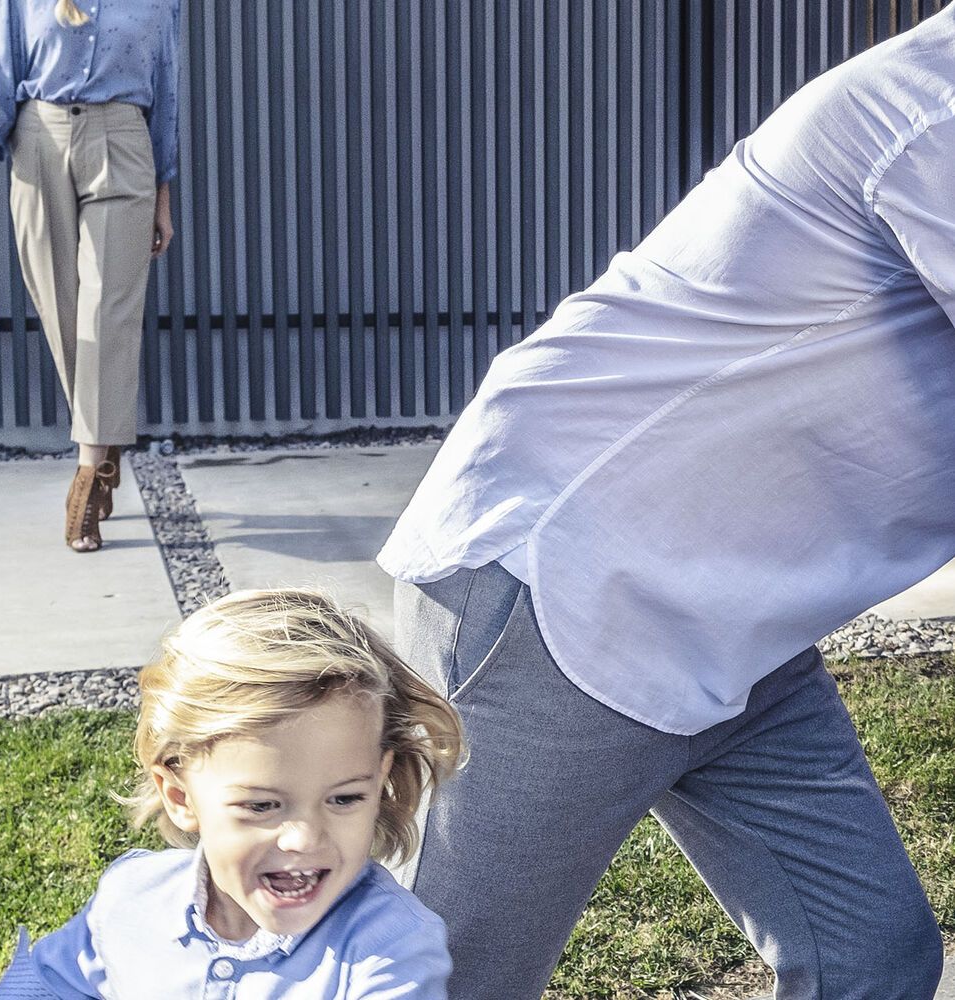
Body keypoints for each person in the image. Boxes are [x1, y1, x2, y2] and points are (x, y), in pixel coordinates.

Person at [376, 10, 955, 999]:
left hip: (738, 628)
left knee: (872, 956)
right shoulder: (932, 108)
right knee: (442, 981)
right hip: (566, 584)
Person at [0, 588, 464, 998]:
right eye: (261, 805)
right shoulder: (133, 896)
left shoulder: (392, 948)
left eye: (344, 799)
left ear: (379, 780)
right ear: (179, 797)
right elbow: (50, 981)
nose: (303, 838)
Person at [0, 0, 181, 553]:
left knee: (109, 313)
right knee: (62, 310)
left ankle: (86, 474)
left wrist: (164, 194)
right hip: (38, 142)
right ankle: (105, 445)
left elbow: (167, 93)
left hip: (124, 143)